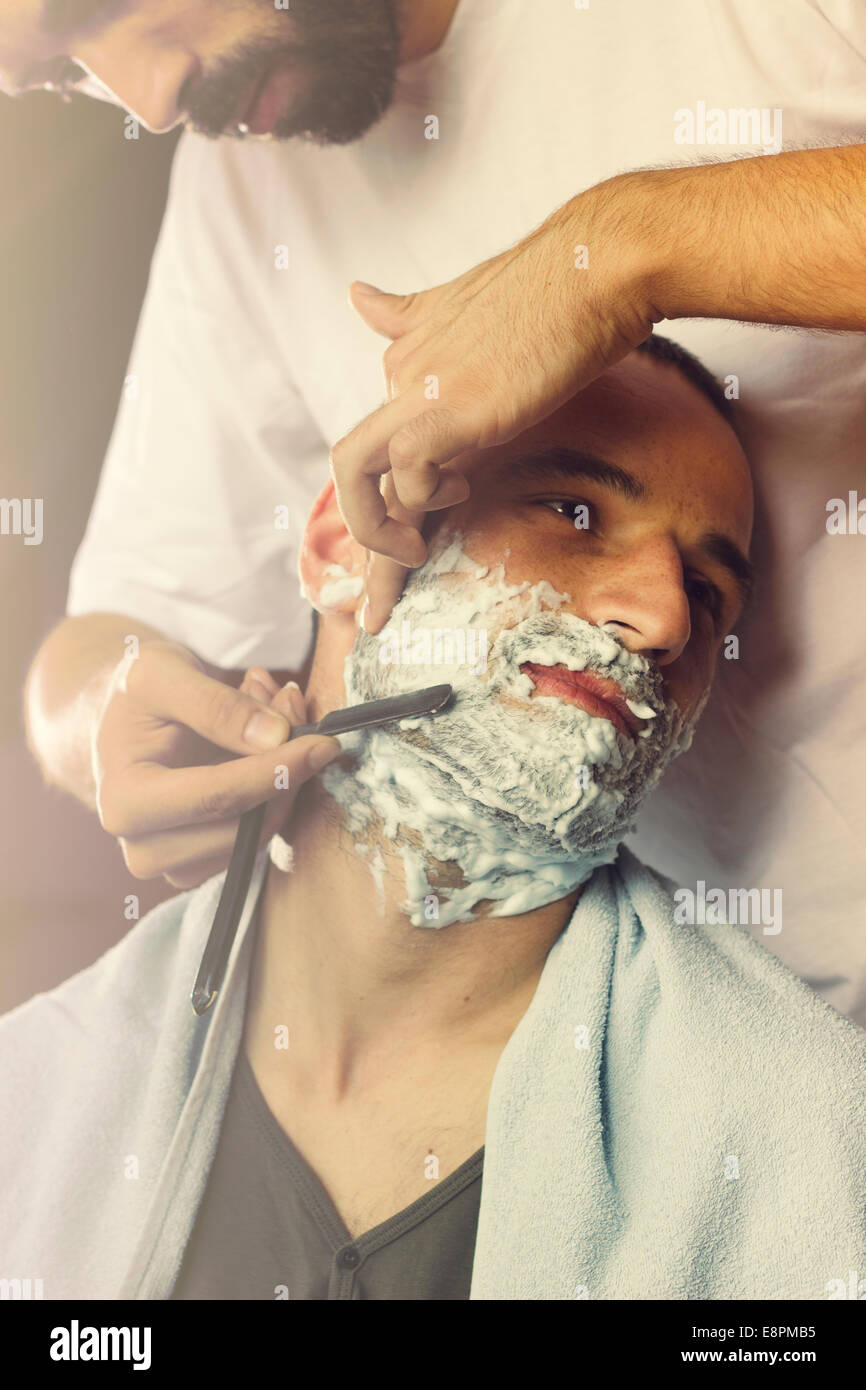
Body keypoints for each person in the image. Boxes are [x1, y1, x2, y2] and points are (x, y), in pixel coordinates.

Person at [7, 1, 866, 1023]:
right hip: (686, 1053)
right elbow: (115, 636)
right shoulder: (241, 186)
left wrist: (628, 245)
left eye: (98, 5)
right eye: (60, 76)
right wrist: (116, 718)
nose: (146, 104)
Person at [1, 339, 863, 1301]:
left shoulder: (801, 1147)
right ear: (342, 546)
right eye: (572, 511)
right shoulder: (32, 1098)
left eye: (709, 593)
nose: (665, 618)